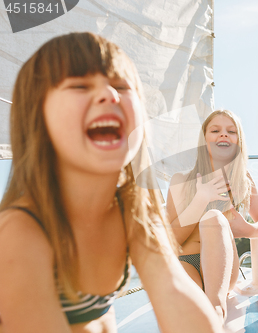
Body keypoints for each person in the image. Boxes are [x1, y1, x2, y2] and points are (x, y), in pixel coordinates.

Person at [0, 32, 223, 333]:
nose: (109, 94)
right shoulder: (21, 232)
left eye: (121, 85)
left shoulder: (132, 211)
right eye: (79, 85)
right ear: (36, 117)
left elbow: (175, 293)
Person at [166, 109, 258, 321]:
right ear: (204, 139)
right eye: (215, 130)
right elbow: (170, 241)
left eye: (231, 131)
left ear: (238, 141)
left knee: (214, 217)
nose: (223, 134)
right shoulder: (180, 181)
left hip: (222, 268)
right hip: (185, 261)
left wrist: (250, 230)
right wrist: (200, 199)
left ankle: (216, 308)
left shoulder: (243, 180)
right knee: (191, 309)